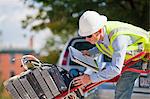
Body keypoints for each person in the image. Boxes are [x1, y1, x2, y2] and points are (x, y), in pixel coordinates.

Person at [73, 10, 150, 99]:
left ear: (99, 31)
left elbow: (115, 69)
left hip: (147, 54)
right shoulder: (101, 35)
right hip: (136, 60)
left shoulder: (118, 38)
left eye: (89, 36)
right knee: (121, 89)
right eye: (84, 36)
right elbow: (104, 45)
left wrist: (90, 78)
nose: (86, 39)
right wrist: (90, 53)